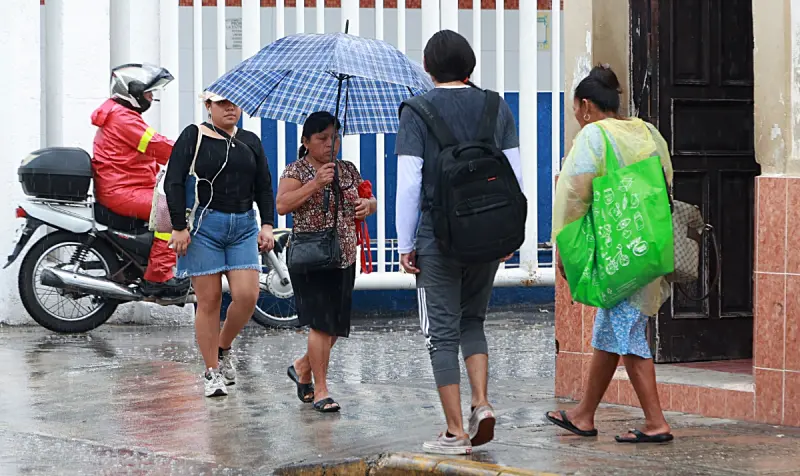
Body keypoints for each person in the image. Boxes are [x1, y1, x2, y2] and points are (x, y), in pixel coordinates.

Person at [395, 30, 523, 455]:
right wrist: (509, 234)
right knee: (473, 322)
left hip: (439, 237)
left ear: (428, 68)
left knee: (442, 334)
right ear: (469, 65)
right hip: (489, 234)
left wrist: (405, 242)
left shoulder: (416, 111)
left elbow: (410, 182)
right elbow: (515, 175)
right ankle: (481, 404)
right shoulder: (495, 106)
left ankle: (454, 431)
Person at [546, 65, 674, 444]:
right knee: (613, 329)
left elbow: (572, 197)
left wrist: (566, 253)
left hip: (617, 252)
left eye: (576, 111)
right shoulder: (647, 131)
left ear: (586, 106)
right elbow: (665, 180)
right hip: (647, 245)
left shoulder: (594, 136)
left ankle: (656, 422)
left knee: (627, 333)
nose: (578, 118)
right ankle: (584, 414)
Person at [164, 91, 276, 398]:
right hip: (203, 226)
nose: (230, 108)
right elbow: (172, 181)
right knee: (210, 299)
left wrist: (267, 225)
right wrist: (178, 227)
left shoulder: (250, 141)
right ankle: (212, 371)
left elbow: (264, 186)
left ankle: (223, 346)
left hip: (242, 225)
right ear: (208, 106)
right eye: (222, 103)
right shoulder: (194, 136)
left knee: (247, 295)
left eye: (235, 103)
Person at [276, 111, 376, 413]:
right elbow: (282, 205)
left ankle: (302, 367)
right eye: (322, 138)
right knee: (320, 324)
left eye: (335, 137)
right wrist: (316, 184)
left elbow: (369, 199)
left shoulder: (347, 169)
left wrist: (367, 206)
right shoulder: (296, 171)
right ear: (306, 142)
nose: (330, 144)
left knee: (334, 326)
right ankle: (321, 390)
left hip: (344, 254)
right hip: (312, 257)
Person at [91, 63, 189, 297]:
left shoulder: (120, 114)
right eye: (148, 92)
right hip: (122, 190)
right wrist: (193, 153)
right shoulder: (123, 118)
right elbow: (157, 145)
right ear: (132, 92)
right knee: (168, 210)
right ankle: (159, 277)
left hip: (127, 186)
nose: (151, 97)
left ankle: (149, 261)